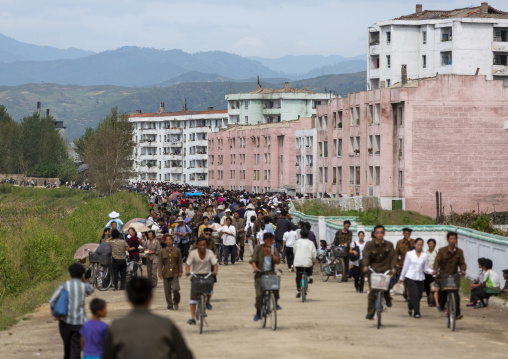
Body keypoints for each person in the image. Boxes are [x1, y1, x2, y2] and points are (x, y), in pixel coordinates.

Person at [103, 278, 194, 359]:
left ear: (128, 298)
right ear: (151, 297)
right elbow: (185, 355)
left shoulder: (116, 327)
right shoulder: (166, 325)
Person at [49, 263, 94, 359]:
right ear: (82, 274)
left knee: (67, 346)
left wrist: (54, 313)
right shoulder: (84, 286)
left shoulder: (64, 285)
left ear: (70, 273)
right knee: (76, 347)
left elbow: (52, 301)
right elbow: (91, 290)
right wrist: (84, 280)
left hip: (65, 322)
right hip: (79, 322)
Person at [362, 225, 396, 320]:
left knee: (387, 288)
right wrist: (365, 266)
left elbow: (393, 257)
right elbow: (366, 256)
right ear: (374, 234)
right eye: (377, 232)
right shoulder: (369, 245)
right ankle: (370, 313)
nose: (380, 234)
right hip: (373, 271)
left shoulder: (389, 245)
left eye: (381, 232)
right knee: (372, 292)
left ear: (384, 233)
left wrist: (393, 268)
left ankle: (388, 300)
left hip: (385, 270)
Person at [185, 237, 218, 325]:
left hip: (207, 274)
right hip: (196, 275)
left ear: (206, 245)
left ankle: (207, 301)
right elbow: (188, 264)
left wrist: (215, 271)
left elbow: (215, 264)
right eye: (201, 245)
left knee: (211, 283)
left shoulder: (209, 253)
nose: (203, 247)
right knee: (193, 298)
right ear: (197, 245)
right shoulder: (193, 254)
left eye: (204, 245)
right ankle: (192, 318)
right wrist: (187, 271)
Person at [434, 232, 466, 319]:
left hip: (454, 275)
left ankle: (457, 313)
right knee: (442, 291)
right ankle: (441, 305)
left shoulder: (459, 252)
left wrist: (463, 270)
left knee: (456, 294)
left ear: (456, 240)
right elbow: (437, 261)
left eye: (454, 239)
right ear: (448, 240)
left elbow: (462, 263)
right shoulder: (442, 251)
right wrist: (435, 269)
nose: (452, 241)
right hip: (443, 275)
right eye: (451, 239)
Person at [398, 238, 434, 318]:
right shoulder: (409, 254)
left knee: (419, 295)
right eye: (418, 244)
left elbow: (426, 268)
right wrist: (401, 278)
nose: (420, 246)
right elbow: (405, 267)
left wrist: (433, 272)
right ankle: (417, 312)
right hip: (410, 277)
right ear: (415, 245)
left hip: (420, 277)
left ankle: (411, 304)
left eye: (421, 245)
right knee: (415, 294)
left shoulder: (424, 255)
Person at [250, 232, 281, 321]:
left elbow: (277, 261)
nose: (269, 242)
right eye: (267, 241)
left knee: (275, 288)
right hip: (260, 274)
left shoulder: (273, 249)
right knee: (259, 294)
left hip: (270, 273)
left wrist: (271, 254)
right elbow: (253, 260)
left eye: (271, 240)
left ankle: (276, 303)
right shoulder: (258, 248)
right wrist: (255, 268)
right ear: (264, 240)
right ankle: (258, 312)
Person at [158, 235, 183, 311]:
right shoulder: (162, 251)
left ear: (172, 241)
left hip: (175, 272)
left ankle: (176, 302)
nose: (169, 241)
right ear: (165, 242)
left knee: (176, 289)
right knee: (167, 291)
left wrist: (180, 271)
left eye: (170, 239)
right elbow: (160, 263)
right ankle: (170, 305)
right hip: (166, 273)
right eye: (167, 240)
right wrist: (160, 272)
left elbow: (180, 261)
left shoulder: (177, 250)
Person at [293, 228, 317, 298]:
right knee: (310, 264)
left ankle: (298, 291)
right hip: (307, 264)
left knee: (298, 275)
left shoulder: (297, 242)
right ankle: (310, 276)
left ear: (300, 235)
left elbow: (294, 252)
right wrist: (314, 261)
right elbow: (314, 255)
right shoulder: (311, 243)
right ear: (308, 235)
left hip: (298, 263)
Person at [424, 238, 437, 305]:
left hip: (434, 272)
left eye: (432, 244)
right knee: (427, 286)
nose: (430, 245)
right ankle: (429, 297)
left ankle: (433, 299)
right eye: (429, 244)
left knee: (433, 286)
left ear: (434, 245)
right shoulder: (425, 253)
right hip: (426, 273)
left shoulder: (436, 253)